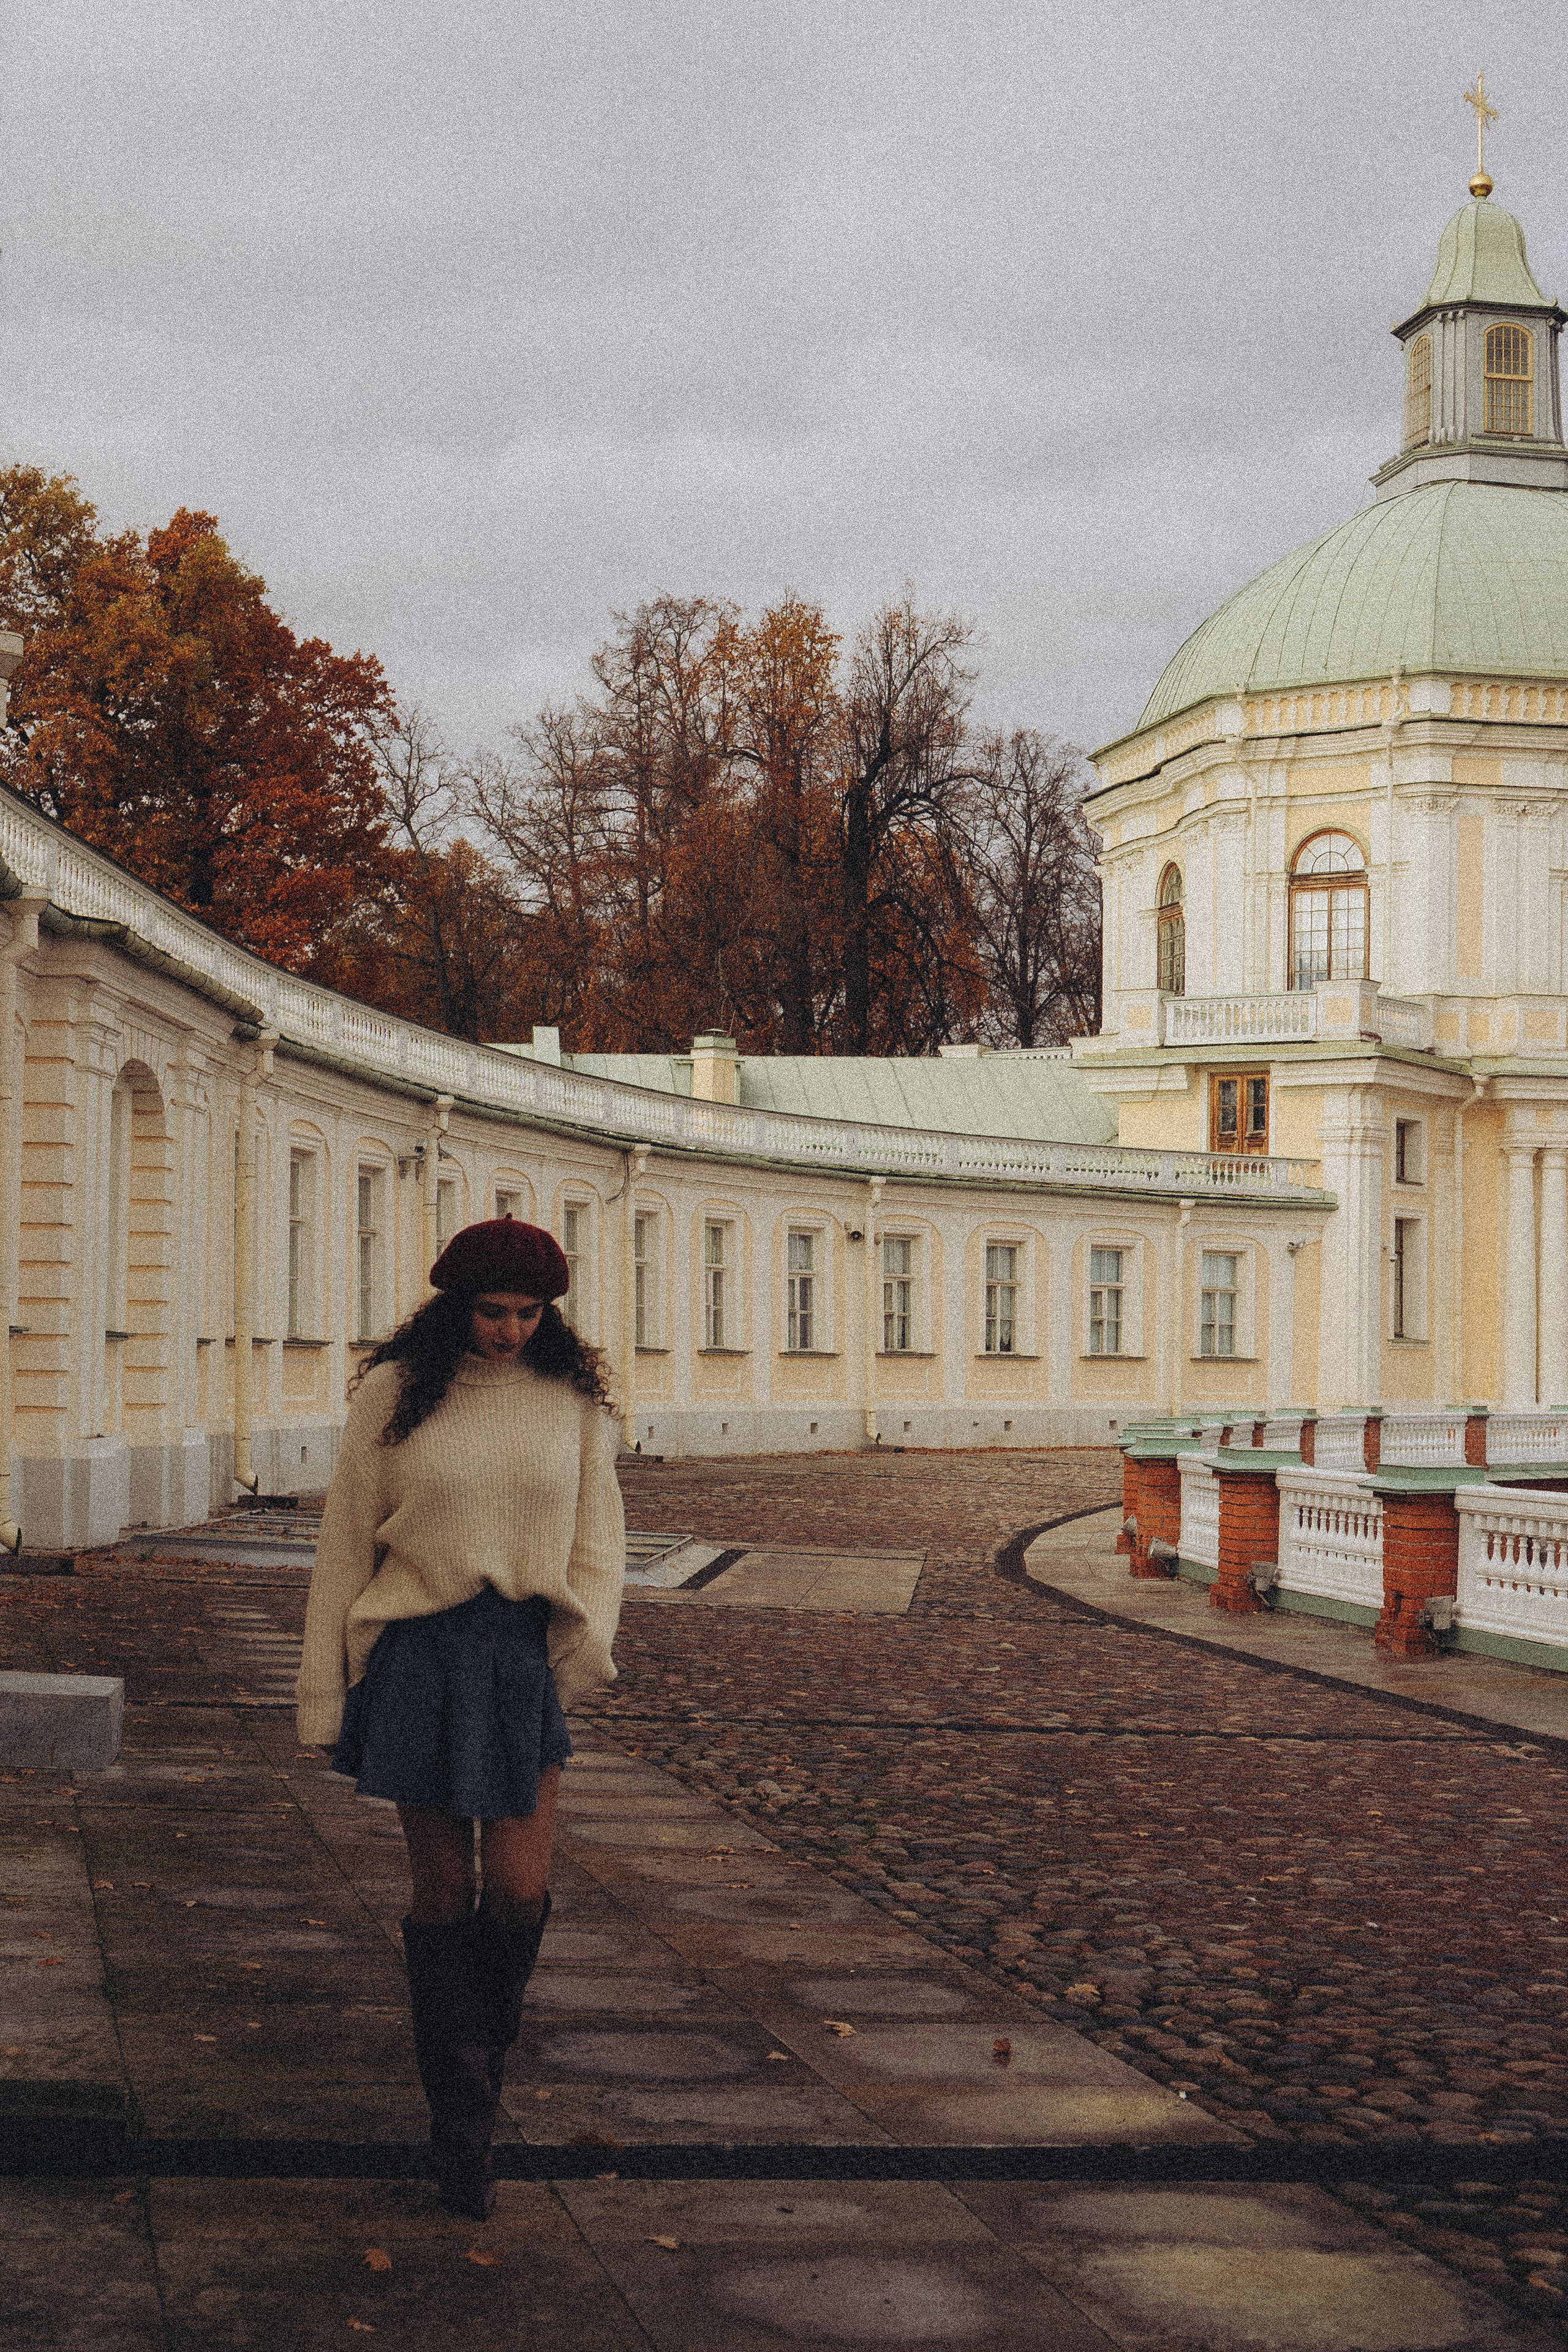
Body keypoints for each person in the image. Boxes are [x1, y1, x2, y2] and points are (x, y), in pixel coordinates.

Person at [295, 1215, 625, 2218]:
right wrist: (324, 1691)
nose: (510, 1331)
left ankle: (476, 2068)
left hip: (519, 1656)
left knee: (520, 1894)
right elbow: (346, 1543)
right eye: (492, 1312)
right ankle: (463, 2126)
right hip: (421, 1656)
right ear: (454, 1306)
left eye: (530, 1314)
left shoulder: (570, 1401)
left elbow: (599, 1544)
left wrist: (577, 1657)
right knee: (443, 1897)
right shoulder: (394, 1395)